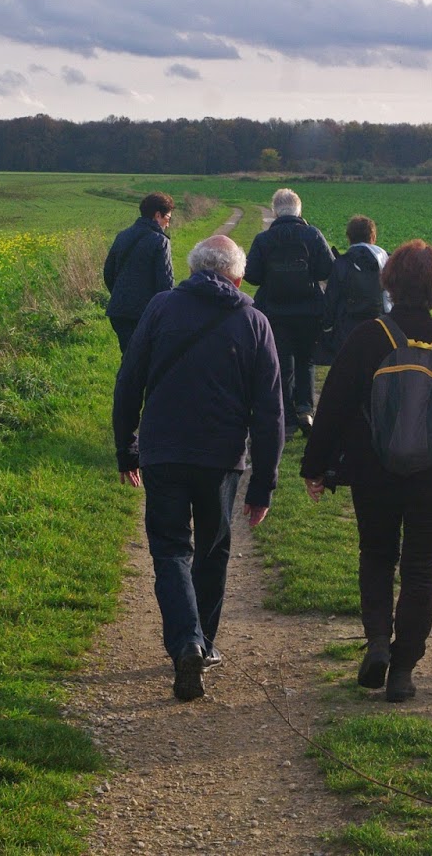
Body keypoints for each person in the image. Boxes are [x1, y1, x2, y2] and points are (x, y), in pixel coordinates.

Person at [300, 241, 432, 702]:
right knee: (422, 570)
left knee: (377, 555)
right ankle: (404, 671)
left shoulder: (369, 337)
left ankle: (378, 644)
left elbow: (333, 406)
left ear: (390, 282)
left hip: (374, 470)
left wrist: (317, 467)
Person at [113, 234, 285, 701]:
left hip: (164, 452)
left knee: (170, 551)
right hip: (221, 458)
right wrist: (263, 486)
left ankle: (186, 642)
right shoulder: (254, 322)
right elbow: (270, 411)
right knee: (211, 552)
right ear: (238, 275)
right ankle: (202, 644)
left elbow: (128, 381)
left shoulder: (160, 309)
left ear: (192, 270)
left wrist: (127, 448)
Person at [244, 188, 335, 433]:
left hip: (274, 310)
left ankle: (286, 416)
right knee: (306, 359)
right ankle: (306, 409)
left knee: (281, 361)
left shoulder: (263, 240)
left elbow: (251, 275)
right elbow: (327, 270)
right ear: (299, 210)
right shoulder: (312, 235)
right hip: (309, 310)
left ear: (275, 211)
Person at [103, 192, 175, 353]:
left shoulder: (122, 236)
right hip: (144, 314)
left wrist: (120, 294)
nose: (168, 224)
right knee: (147, 360)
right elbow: (165, 282)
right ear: (158, 215)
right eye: (167, 218)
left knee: (128, 358)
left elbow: (108, 272)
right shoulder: (160, 240)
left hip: (118, 311)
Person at [317, 215, 391, 365]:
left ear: (348, 238)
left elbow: (331, 300)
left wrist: (326, 329)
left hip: (347, 330)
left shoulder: (342, 263)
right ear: (373, 237)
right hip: (379, 327)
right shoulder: (386, 261)